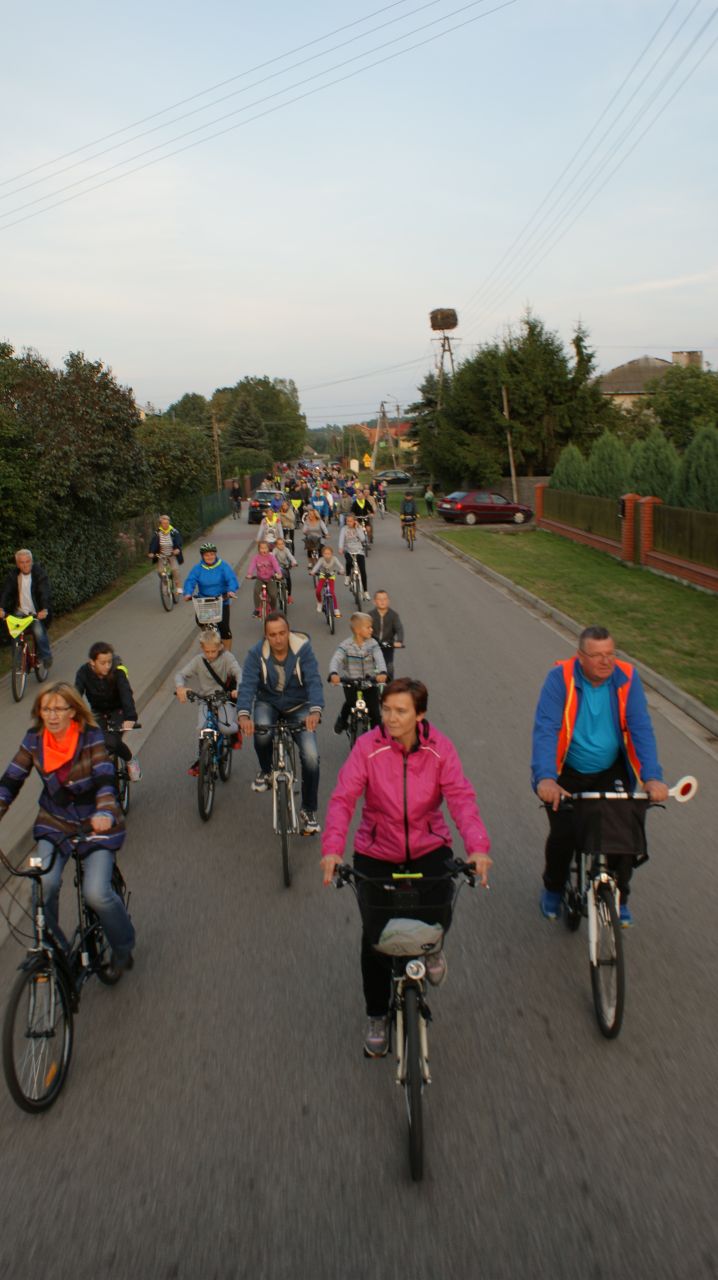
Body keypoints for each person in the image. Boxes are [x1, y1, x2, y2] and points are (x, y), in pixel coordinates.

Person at [320, 677, 491, 1056]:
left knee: (440, 904)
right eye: (386, 709)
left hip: (429, 845)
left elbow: (461, 798)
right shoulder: (367, 747)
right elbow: (343, 798)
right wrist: (332, 850)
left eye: (400, 711)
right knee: (375, 939)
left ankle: (431, 949)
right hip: (377, 850)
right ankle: (377, 1015)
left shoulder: (440, 749)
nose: (390, 718)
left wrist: (478, 848)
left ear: (420, 714)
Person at [531, 626, 669, 926]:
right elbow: (547, 728)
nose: (606, 661)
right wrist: (545, 778)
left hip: (610, 770)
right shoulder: (560, 679)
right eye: (597, 655)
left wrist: (652, 777)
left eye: (611, 654)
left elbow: (640, 728)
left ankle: (619, 897)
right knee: (564, 834)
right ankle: (554, 888)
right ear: (580, 657)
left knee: (621, 834)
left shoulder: (627, 678)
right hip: (567, 772)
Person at [0, 683, 135, 972]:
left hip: (96, 823)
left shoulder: (91, 737)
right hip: (55, 823)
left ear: (72, 711)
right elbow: (11, 779)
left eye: (58, 709)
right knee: (44, 885)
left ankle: (123, 946)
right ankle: (58, 952)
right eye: (45, 709)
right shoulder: (34, 740)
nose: (51, 715)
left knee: (96, 893)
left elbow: (104, 777)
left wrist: (105, 811)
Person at [237, 613, 324, 835]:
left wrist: (315, 710)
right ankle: (267, 771)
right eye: (273, 634)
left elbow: (314, 680)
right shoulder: (256, 653)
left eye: (282, 633)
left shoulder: (303, 649)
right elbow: (247, 685)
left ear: (289, 631)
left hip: (299, 705)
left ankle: (309, 810)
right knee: (262, 732)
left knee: (311, 756)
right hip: (268, 702)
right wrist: (244, 715)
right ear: (266, 636)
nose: (278, 639)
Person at [175, 629, 242, 776]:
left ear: (219, 646)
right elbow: (181, 674)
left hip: (223, 698)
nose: (210, 654)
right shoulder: (198, 660)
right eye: (207, 651)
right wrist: (180, 687)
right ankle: (202, 760)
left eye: (213, 651)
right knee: (202, 728)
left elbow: (238, 673)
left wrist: (238, 689)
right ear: (202, 648)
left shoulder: (227, 658)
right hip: (205, 699)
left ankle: (236, 730)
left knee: (226, 728)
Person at [75, 642, 142, 782]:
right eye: (102, 663)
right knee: (93, 743)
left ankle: (130, 760)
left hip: (118, 710)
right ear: (92, 662)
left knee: (113, 741)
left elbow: (126, 694)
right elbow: (75, 696)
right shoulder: (83, 672)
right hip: (98, 711)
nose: (107, 666)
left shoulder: (117, 671)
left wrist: (130, 717)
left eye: (109, 662)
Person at [329, 612, 387, 734]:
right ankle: (342, 720)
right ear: (357, 630)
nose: (371, 630)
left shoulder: (373, 644)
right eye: (368, 627)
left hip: (370, 682)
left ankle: (378, 736)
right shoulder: (345, 645)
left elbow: (380, 658)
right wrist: (333, 673)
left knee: (375, 712)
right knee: (350, 703)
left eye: (371, 627)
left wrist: (382, 672)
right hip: (350, 682)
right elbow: (335, 659)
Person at [0, 548, 53, 668]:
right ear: (17, 564)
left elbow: (44, 593)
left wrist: (44, 609)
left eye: (27, 561)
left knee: (38, 631)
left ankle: (46, 656)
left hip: (36, 611)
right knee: (15, 633)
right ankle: (18, 663)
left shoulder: (39, 574)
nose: (25, 565)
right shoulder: (13, 575)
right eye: (22, 562)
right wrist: (1, 608)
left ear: (32, 561)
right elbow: (6, 592)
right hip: (20, 611)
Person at [183, 542, 239, 650]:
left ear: (215, 554)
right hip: (204, 601)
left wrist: (231, 591)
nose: (209, 557)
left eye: (212, 554)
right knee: (200, 621)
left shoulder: (223, 566)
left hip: (221, 600)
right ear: (202, 556)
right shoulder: (198, 568)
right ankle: (208, 637)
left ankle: (228, 654)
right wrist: (188, 593)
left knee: (224, 629)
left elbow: (231, 579)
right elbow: (190, 580)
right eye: (206, 555)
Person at [369, 590, 404, 680]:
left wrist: (399, 641)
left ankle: (390, 685)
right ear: (374, 602)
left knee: (389, 668)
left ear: (388, 601)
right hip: (372, 644)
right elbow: (364, 628)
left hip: (387, 645)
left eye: (385, 599)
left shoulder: (393, 615)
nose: (382, 601)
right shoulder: (370, 615)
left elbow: (399, 628)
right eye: (379, 599)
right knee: (367, 668)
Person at [148, 514, 184, 593]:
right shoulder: (157, 533)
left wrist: (177, 549)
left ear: (169, 523)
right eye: (164, 523)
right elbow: (153, 544)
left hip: (172, 555)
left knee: (175, 569)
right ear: (160, 524)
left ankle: (178, 585)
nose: (166, 525)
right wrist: (151, 552)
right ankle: (165, 583)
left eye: (167, 523)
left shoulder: (174, 532)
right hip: (161, 555)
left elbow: (179, 541)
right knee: (160, 571)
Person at [246, 541, 283, 616]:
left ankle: (273, 608)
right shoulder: (256, 557)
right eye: (262, 548)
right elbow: (252, 565)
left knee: (273, 594)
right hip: (260, 578)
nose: (264, 550)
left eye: (265, 548)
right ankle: (257, 609)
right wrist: (249, 574)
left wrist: (279, 574)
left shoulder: (271, 557)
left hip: (270, 578)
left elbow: (276, 565)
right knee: (256, 591)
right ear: (259, 549)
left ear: (268, 549)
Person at [338, 514, 370, 599]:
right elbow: (341, 539)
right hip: (348, 550)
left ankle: (365, 591)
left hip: (359, 551)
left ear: (354, 521)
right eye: (347, 521)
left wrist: (357, 528)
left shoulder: (358, 528)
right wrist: (340, 548)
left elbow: (362, 539)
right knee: (349, 562)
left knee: (363, 570)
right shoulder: (344, 529)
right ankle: (348, 576)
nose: (349, 523)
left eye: (351, 521)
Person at [310, 545, 343, 617]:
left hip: (331, 575)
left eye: (329, 553)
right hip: (323, 575)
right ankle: (319, 602)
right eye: (325, 553)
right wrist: (313, 571)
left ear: (332, 554)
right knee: (318, 591)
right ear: (322, 554)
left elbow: (340, 566)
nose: (327, 555)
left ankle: (336, 609)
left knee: (332, 592)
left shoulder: (334, 559)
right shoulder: (321, 560)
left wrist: (342, 570)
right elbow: (316, 566)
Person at [273, 537, 297, 603]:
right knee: (275, 579)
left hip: (285, 566)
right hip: (277, 567)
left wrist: (294, 562)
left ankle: (289, 596)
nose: (281, 545)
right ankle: (276, 591)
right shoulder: (275, 550)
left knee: (288, 578)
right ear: (276, 545)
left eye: (282, 544)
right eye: (279, 544)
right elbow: (272, 557)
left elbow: (290, 556)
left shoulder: (286, 550)